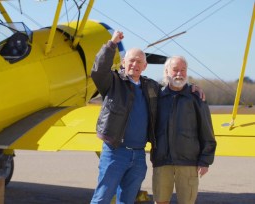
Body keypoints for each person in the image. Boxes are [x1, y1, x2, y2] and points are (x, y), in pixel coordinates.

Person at [90, 30, 159, 204]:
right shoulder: (112, 82)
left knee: (127, 200)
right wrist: (111, 44)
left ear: (144, 66)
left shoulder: (151, 87)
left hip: (138, 155)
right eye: (131, 60)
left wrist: (192, 89)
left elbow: (173, 90)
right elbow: (98, 70)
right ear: (123, 62)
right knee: (101, 198)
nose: (135, 64)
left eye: (139, 61)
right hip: (115, 152)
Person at [151, 56, 217, 204]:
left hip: (189, 163)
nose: (179, 74)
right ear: (166, 71)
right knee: (160, 201)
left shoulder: (197, 97)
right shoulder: (156, 96)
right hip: (162, 161)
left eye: (183, 70)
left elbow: (207, 131)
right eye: (175, 70)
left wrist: (205, 160)